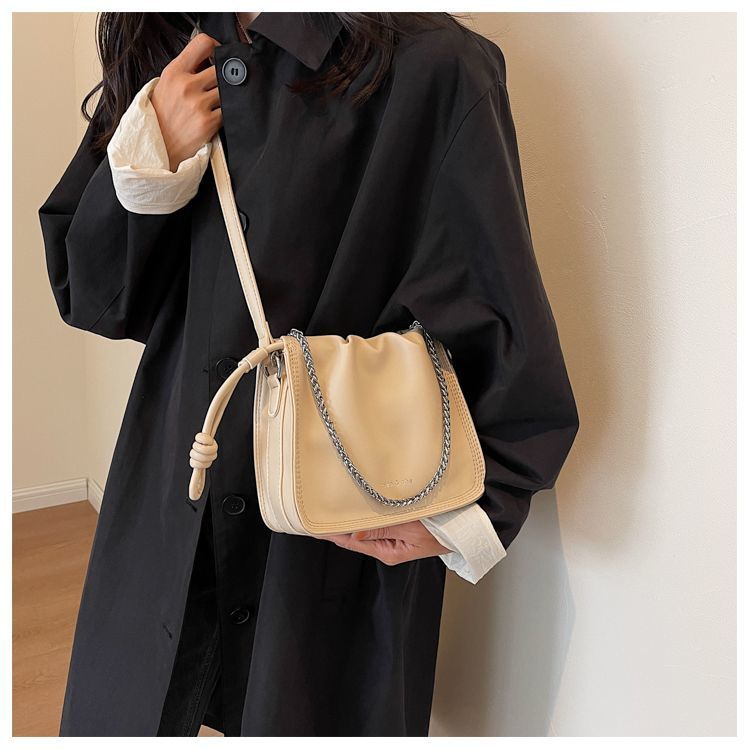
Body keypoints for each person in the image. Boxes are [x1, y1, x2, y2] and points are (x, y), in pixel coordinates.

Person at [39, 11, 579, 737]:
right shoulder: (167, 48)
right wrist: (151, 155)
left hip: (338, 516)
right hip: (174, 488)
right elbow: (95, 296)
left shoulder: (433, 67)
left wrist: (469, 515)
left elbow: (498, 309)